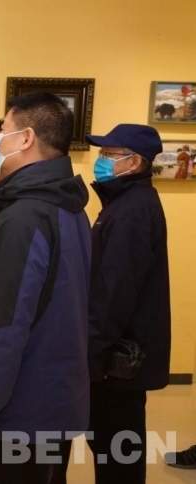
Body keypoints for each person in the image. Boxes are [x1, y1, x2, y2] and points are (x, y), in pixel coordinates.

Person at [0, 92, 92, 484]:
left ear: (26, 138)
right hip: (55, 400)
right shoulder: (69, 206)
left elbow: (2, 326)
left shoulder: (23, 218)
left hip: (18, 411)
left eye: (4, 130)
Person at [83, 124, 171, 484]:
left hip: (118, 361)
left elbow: (114, 294)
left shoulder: (131, 210)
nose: (101, 160)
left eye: (109, 154)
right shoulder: (126, 202)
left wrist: (90, 355)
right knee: (116, 447)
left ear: (134, 162)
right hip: (119, 354)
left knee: (118, 450)